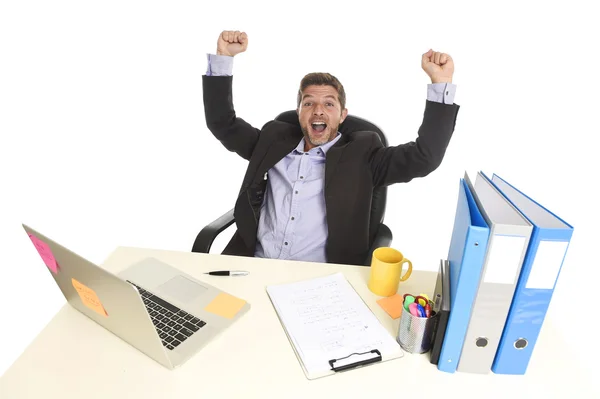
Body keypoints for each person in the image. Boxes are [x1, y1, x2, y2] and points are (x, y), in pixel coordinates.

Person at [202, 30, 460, 266]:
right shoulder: (273, 140)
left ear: (342, 115)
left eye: (328, 104)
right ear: (299, 112)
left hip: (318, 277)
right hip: (253, 265)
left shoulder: (365, 153)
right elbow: (222, 123)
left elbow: (425, 157)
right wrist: (224, 58)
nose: (318, 110)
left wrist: (441, 83)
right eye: (309, 103)